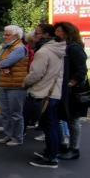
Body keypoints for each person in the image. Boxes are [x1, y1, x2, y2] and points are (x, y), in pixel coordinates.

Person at [24, 31, 67, 169]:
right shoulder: (58, 49)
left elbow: (36, 73)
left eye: (37, 34)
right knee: (52, 125)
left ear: (44, 36)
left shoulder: (43, 52)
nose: (33, 36)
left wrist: (25, 82)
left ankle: (51, 158)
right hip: (54, 92)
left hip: (44, 93)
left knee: (49, 127)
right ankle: (51, 152)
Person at [0, 25, 30, 146]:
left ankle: (17, 138)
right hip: (5, 83)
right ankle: (8, 135)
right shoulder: (5, 47)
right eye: (4, 34)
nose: (4, 36)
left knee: (16, 113)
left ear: (16, 36)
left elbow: (6, 62)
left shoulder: (19, 48)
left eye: (7, 34)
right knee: (5, 112)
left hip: (16, 85)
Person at [54, 22, 89, 160]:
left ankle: (74, 149)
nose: (55, 34)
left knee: (73, 119)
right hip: (65, 89)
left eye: (58, 31)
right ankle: (63, 145)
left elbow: (82, 70)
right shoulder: (65, 47)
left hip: (72, 92)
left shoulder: (74, 48)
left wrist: (70, 83)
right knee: (63, 117)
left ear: (67, 33)